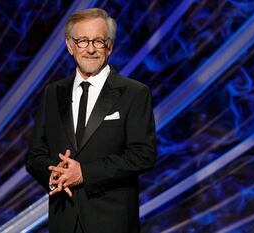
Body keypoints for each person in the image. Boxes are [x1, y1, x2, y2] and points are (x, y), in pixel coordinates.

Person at [25, 8, 157, 233]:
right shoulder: (53, 93)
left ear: (110, 46)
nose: (91, 49)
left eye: (98, 41)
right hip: (63, 220)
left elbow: (142, 155)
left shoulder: (134, 93)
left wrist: (84, 173)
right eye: (83, 41)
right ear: (70, 46)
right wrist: (55, 175)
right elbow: (35, 154)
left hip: (111, 223)